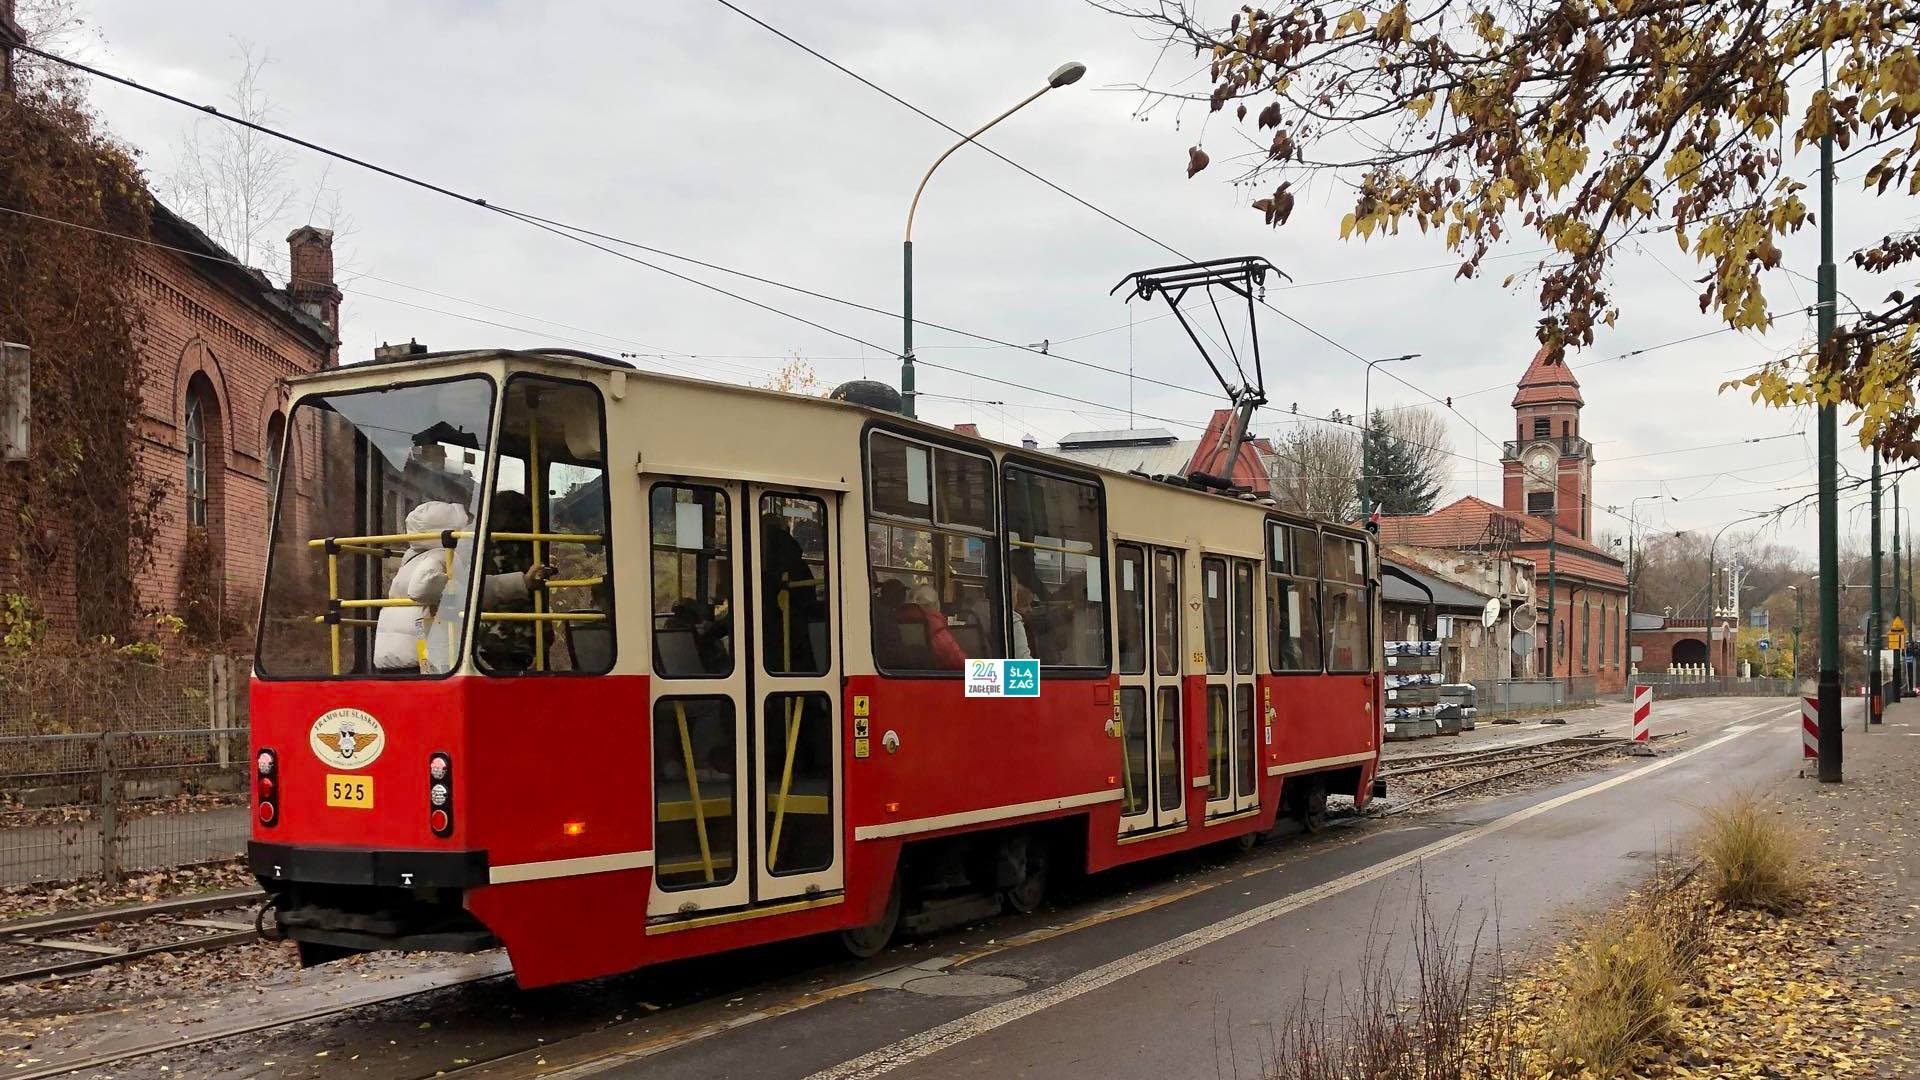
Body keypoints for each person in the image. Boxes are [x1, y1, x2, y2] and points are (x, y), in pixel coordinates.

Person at [375, 500, 554, 672]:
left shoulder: (410, 560)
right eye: (461, 530)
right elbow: (422, 588)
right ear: (448, 533)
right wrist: (459, 592)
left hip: (394, 652)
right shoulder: (440, 555)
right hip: (420, 653)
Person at [902, 582, 968, 670]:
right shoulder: (935, 627)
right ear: (936, 605)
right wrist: (989, 672)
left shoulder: (902, 621)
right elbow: (959, 662)